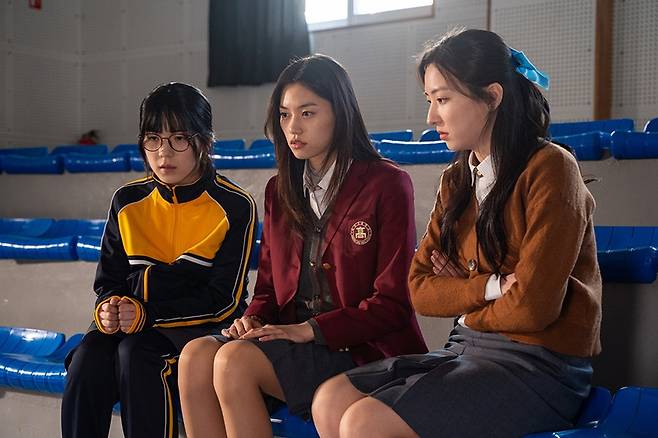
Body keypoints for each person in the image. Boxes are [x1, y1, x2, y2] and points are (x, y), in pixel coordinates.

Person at [311, 28, 602, 438]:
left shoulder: (551, 167)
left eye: (443, 99)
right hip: (465, 348)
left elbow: (534, 310)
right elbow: (419, 289)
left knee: (364, 422)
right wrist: (492, 287)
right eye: (429, 100)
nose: (431, 117)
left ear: (493, 96)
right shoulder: (456, 179)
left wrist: (462, 299)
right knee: (330, 399)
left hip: (537, 365)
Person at [178, 54, 428, 438]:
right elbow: (267, 290)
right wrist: (253, 319)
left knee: (233, 361)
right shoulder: (279, 190)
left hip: (364, 351)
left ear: (340, 113)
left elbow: (392, 304)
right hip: (296, 345)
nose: (292, 128)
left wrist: (310, 329)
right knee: (195, 355)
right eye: (284, 115)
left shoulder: (387, 183)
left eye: (307, 113)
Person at [61, 82, 258, 438]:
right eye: (153, 139)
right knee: (86, 357)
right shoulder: (127, 200)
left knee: (137, 354)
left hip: (201, 327)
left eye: (179, 138)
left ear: (205, 142)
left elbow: (225, 301)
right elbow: (108, 281)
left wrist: (148, 314)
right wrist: (108, 308)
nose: (164, 153)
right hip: (135, 324)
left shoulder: (234, 204)